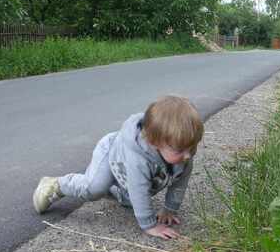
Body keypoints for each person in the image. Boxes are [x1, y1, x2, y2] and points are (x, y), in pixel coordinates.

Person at [32, 95, 203, 240]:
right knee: (94, 188)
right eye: (180, 150)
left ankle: (109, 184)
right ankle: (57, 184)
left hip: (129, 170)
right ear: (155, 142)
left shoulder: (183, 155)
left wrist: (169, 210)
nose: (188, 155)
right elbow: (139, 189)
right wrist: (150, 225)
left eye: (192, 146)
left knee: (129, 200)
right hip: (111, 154)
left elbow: (180, 183)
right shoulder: (139, 160)